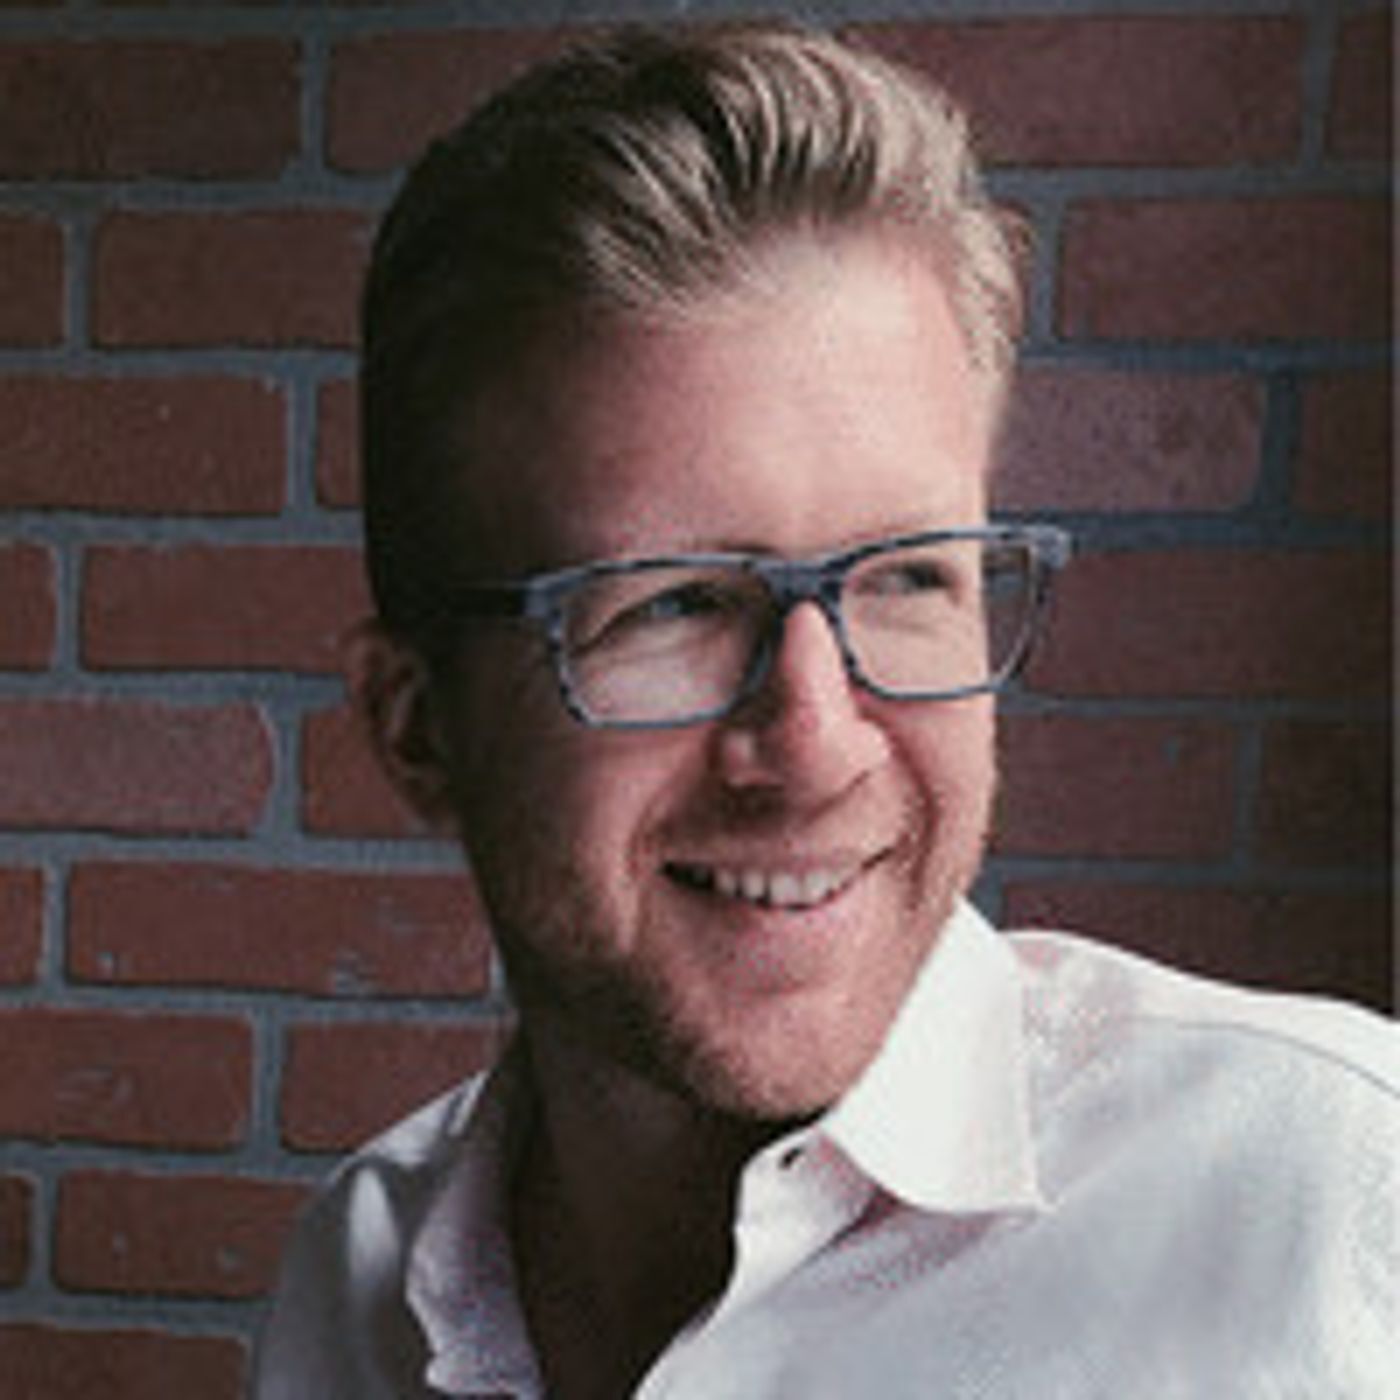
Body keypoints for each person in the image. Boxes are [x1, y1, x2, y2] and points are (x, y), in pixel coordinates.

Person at [255, 22, 1397, 1399]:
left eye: (908, 578)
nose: (815, 743)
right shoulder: (359, 1280)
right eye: (672, 604)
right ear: (418, 726)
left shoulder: (1343, 1207)